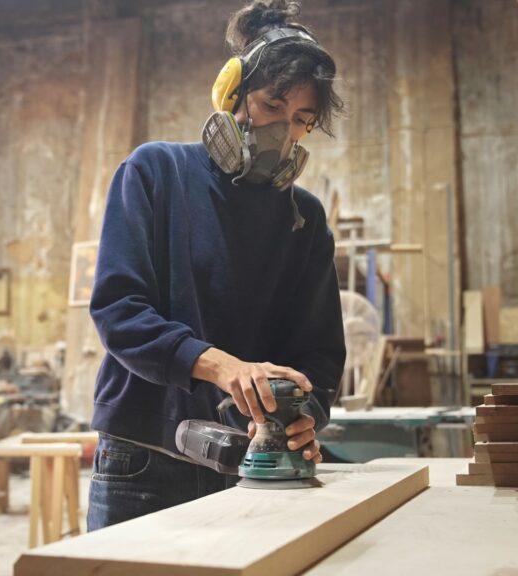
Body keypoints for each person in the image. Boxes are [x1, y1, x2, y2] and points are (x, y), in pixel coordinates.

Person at [87, 0, 346, 531]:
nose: (286, 132)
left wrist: (303, 417)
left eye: (302, 121)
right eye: (273, 106)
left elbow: (319, 353)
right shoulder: (155, 172)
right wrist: (225, 368)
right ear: (232, 96)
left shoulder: (305, 218)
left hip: (250, 469)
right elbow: (119, 312)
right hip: (144, 461)